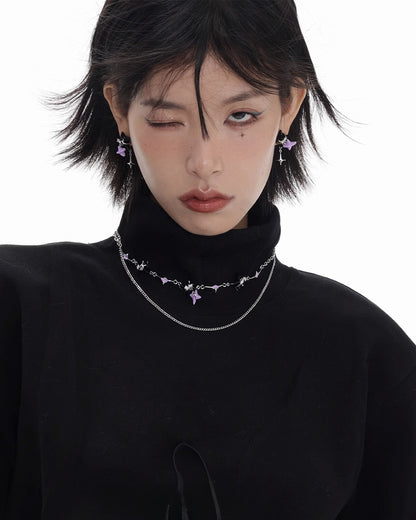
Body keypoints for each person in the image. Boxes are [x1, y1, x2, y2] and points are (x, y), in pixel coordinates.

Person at [1, 0, 415, 518]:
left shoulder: (368, 355)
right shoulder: (19, 310)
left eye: (240, 116)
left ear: (289, 105)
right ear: (119, 109)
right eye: (166, 120)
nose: (204, 162)